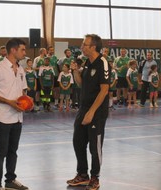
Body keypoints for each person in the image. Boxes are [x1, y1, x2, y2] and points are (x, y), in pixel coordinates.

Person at [0, 38, 29, 190]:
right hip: (3, 117)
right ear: (13, 50)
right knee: (1, 152)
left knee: (13, 151)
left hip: (17, 117)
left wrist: (27, 101)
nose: (25, 52)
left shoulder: (21, 69)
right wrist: (8, 102)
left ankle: (10, 180)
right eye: (23, 49)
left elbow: (22, 91)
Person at [68, 34, 110, 190]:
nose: (81, 47)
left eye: (84, 44)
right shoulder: (87, 62)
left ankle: (95, 177)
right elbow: (81, 84)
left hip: (97, 111)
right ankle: (82, 175)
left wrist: (92, 112)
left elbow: (104, 90)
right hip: (83, 109)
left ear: (93, 47)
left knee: (95, 146)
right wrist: (75, 72)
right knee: (78, 141)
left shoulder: (103, 63)